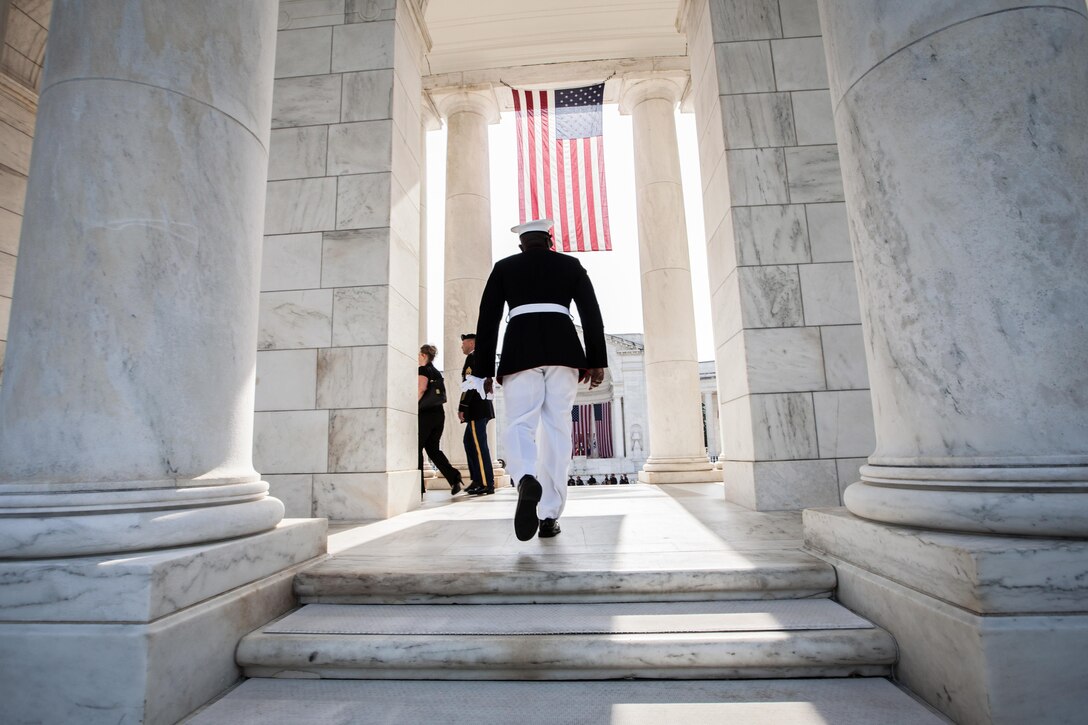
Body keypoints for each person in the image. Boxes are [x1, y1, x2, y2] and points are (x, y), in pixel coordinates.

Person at [470, 218, 606, 541]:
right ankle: (548, 516)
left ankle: (526, 477)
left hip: (520, 352)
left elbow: (487, 319)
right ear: (549, 241)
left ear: (521, 245)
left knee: (520, 422)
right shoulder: (570, 265)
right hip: (564, 352)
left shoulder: (504, 268)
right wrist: (597, 360)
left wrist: (482, 371)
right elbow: (591, 312)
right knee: (557, 429)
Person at [418, 344, 464, 498]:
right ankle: (454, 478)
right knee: (433, 449)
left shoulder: (423, 369)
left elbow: (421, 388)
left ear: (424, 355)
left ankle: (418, 488)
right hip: (438, 414)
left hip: (425, 414)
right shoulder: (437, 372)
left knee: (416, 448)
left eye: (419, 354)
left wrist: (412, 405)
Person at [458, 333, 496, 496]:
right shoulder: (480, 358)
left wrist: (463, 407)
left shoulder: (473, 358)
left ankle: (486, 482)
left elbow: (470, 384)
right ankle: (477, 479)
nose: (462, 346)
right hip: (481, 407)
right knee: (469, 442)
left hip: (476, 408)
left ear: (472, 343)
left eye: (464, 342)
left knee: (479, 447)